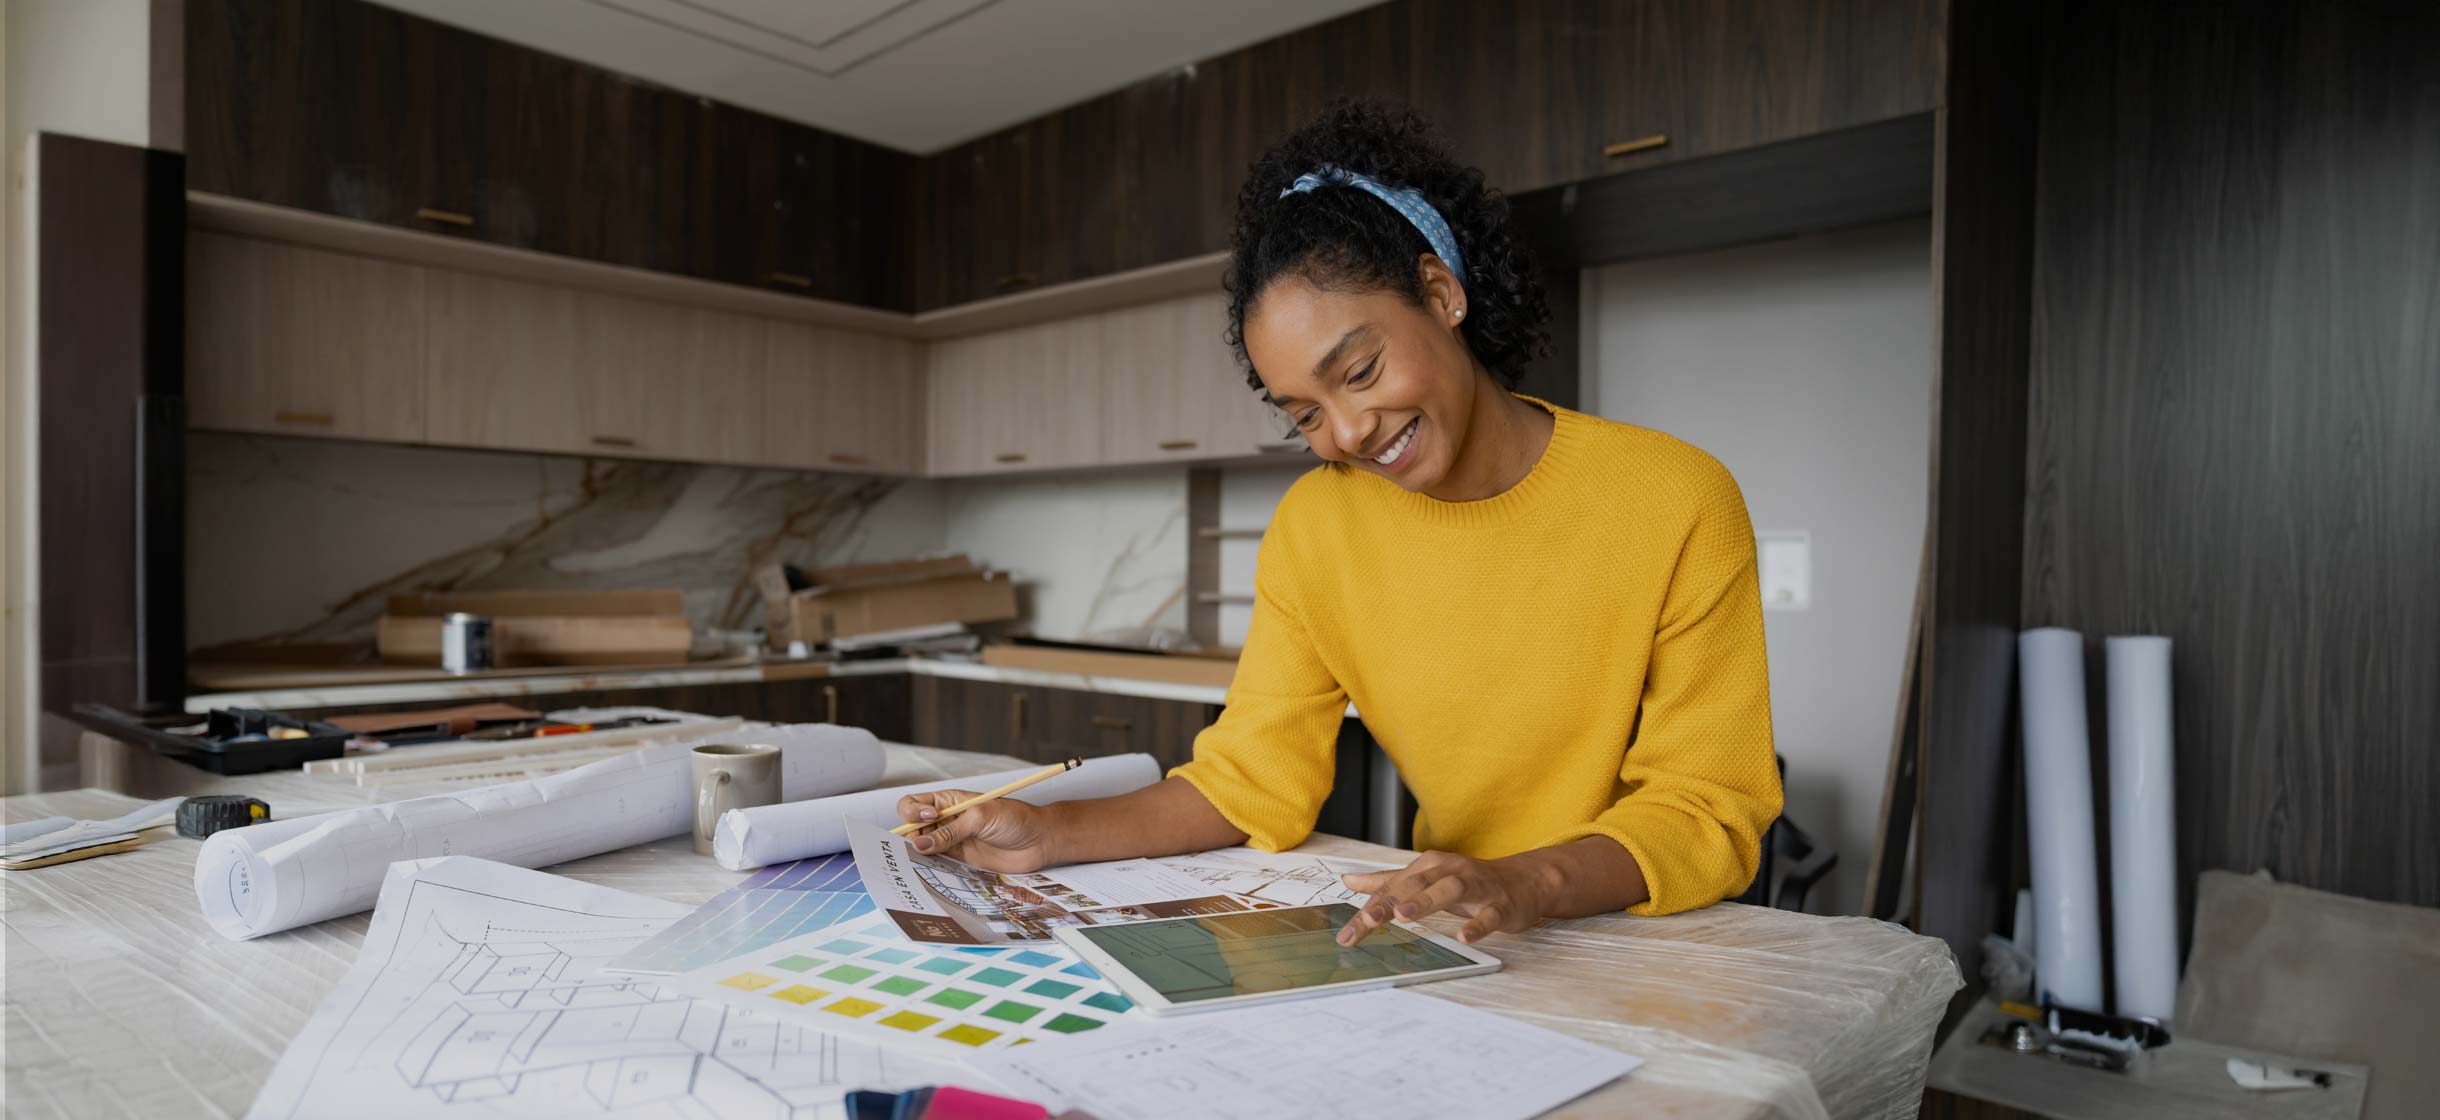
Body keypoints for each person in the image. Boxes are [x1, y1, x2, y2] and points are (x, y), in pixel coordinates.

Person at [899, 100, 1781, 946]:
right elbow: (1252, 782)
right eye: (1304, 414)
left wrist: (1527, 880)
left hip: (1647, 931)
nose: (1350, 433)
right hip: (1462, 925)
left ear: (1441, 294)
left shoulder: (1674, 496)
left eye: (1358, 371)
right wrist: (1046, 833)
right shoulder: (1316, 529)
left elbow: (1709, 808)